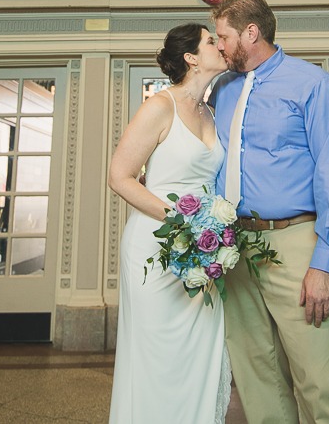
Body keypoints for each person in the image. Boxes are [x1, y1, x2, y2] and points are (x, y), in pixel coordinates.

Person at [209, 0, 329, 424]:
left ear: (251, 33)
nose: (219, 46)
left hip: (296, 242)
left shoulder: (313, 85)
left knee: (318, 377)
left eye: (224, 37)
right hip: (234, 245)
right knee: (256, 377)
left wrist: (324, 266)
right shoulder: (223, 89)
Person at [108, 23, 231, 423]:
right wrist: (182, 220)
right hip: (155, 249)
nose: (219, 44)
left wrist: (209, 229)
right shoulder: (159, 106)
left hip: (200, 250)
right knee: (156, 359)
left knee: (198, 356)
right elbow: (120, 176)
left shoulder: (211, 113)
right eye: (211, 41)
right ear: (192, 58)